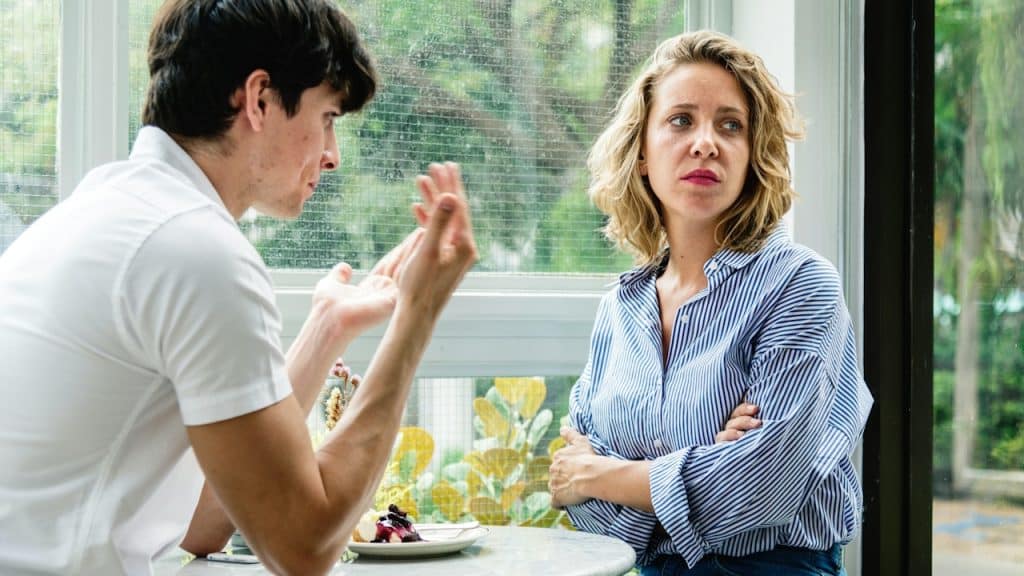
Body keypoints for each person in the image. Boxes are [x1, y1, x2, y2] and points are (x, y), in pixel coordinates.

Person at [0, 1, 477, 574]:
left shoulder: (109, 209)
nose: (332, 157)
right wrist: (417, 315)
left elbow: (202, 522)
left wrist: (326, 330)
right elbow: (302, 549)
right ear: (258, 99)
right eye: (327, 117)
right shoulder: (195, 249)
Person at [547, 30, 873, 575]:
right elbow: (589, 516)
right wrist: (706, 465)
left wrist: (606, 475)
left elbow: (765, 487)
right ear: (643, 154)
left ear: (751, 156)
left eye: (730, 125)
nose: (705, 142)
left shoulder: (801, 284)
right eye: (680, 121)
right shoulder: (619, 310)